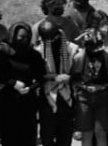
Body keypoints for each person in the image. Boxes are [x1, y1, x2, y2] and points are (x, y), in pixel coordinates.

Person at [72, 27, 108, 146]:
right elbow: (73, 80)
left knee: (101, 132)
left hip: (104, 95)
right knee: (87, 133)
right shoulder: (78, 58)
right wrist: (84, 87)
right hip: (84, 97)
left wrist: (102, 87)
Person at [37, 18, 77, 146]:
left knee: (65, 138)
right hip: (47, 100)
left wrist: (69, 77)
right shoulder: (38, 51)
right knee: (47, 137)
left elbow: (79, 73)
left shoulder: (71, 49)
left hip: (66, 99)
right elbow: (37, 75)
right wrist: (53, 77)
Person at [5, 22, 45, 146]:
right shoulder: (5, 54)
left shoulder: (34, 55)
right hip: (8, 101)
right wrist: (13, 83)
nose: (23, 40)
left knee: (28, 137)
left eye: (26, 37)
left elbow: (40, 77)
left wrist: (30, 88)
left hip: (28, 101)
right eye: (20, 37)